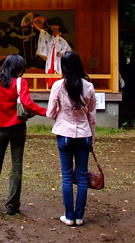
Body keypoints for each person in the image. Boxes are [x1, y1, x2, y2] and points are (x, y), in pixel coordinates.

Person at [0, 54, 47, 216]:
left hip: (0, 128)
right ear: (18, 68)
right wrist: (46, 112)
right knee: (16, 165)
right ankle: (12, 205)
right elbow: (27, 104)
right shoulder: (20, 83)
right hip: (18, 127)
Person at [46, 51, 96, 227]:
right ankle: (79, 216)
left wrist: (62, 114)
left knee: (67, 176)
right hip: (84, 134)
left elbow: (50, 113)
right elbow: (92, 116)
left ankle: (68, 216)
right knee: (82, 177)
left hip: (64, 134)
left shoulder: (58, 86)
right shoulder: (88, 86)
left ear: (63, 67)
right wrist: (92, 138)